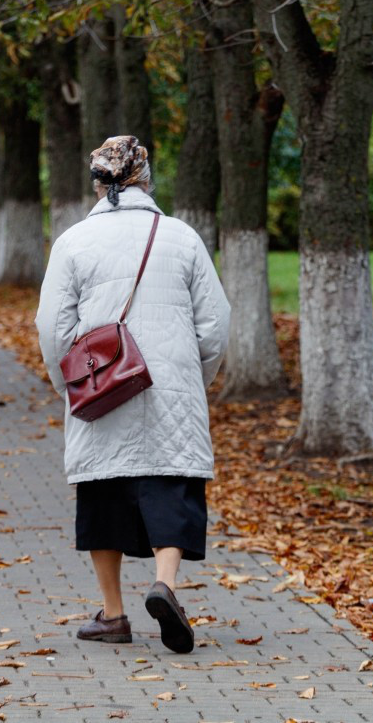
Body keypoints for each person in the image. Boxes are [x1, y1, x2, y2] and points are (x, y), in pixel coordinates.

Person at [34, 135, 231, 654]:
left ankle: (114, 615)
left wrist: (70, 386)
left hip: (102, 386)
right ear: (146, 179)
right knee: (171, 484)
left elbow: (53, 329)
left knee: (102, 492)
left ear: (98, 184)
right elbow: (215, 324)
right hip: (171, 385)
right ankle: (165, 585)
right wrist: (194, 376)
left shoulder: (73, 241)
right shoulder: (181, 237)